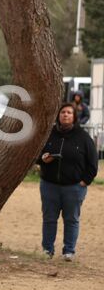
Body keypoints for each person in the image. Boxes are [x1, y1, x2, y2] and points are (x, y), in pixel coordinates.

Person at [38, 102, 98, 261]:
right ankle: (47, 250)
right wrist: (43, 159)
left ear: (74, 117)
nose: (65, 115)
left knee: (71, 220)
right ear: (58, 115)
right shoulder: (49, 134)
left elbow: (93, 163)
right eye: (63, 112)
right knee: (49, 219)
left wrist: (85, 182)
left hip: (74, 188)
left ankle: (69, 251)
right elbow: (37, 156)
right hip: (49, 185)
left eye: (69, 113)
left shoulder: (83, 137)